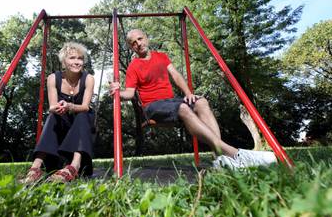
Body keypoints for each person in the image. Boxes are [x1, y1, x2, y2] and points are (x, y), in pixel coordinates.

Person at [109, 29, 277, 169]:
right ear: (132, 47)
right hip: (152, 107)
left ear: (146, 38)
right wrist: (118, 91)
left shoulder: (162, 56)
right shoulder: (133, 66)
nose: (138, 43)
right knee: (183, 108)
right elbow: (129, 93)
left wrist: (188, 93)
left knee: (201, 102)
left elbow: (175, 74)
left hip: (171, 101)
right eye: (133, 43)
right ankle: (234, 154)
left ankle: (219, 159)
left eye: (140, 38)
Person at [22, 42, 95, 184]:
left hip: (81, 131)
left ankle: (74, 166)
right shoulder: (53, 79)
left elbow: (85, 106)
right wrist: (57, 108)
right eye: (72, 58)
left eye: (80, 58)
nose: (77, 62)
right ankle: (35, 167)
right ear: (63, 61)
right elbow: (52, 106)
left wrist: (70, 106)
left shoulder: (88, 79)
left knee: (83, 115)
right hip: (61, 130)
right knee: (53, 115)